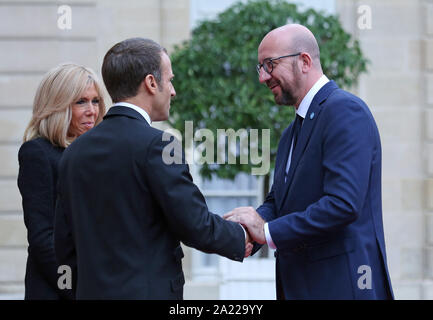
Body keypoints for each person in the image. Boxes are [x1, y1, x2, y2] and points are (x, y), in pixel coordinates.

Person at [54, 38, 252, 300]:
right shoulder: (160, 145)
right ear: (150, 83)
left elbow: (64, 245)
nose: (173, 91)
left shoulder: (73, 153)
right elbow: (194, 224)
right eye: (169, 80)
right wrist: (246, 235)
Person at [225, 24, 394, 300]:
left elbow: (342, 205)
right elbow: (278, 203)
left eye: (270, 64)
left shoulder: (345, 111)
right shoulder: (291, 132)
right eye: (260, 68)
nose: (263, 77)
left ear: (304, 61)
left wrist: (266, 231)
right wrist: (245, 231)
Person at [17, 63, 106, 300]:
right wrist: (75, 290)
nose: (92, 111)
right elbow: (43, 239)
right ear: (57, 105)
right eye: (81, 102)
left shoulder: (97, 154)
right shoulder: (37, 153)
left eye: (95, 101)